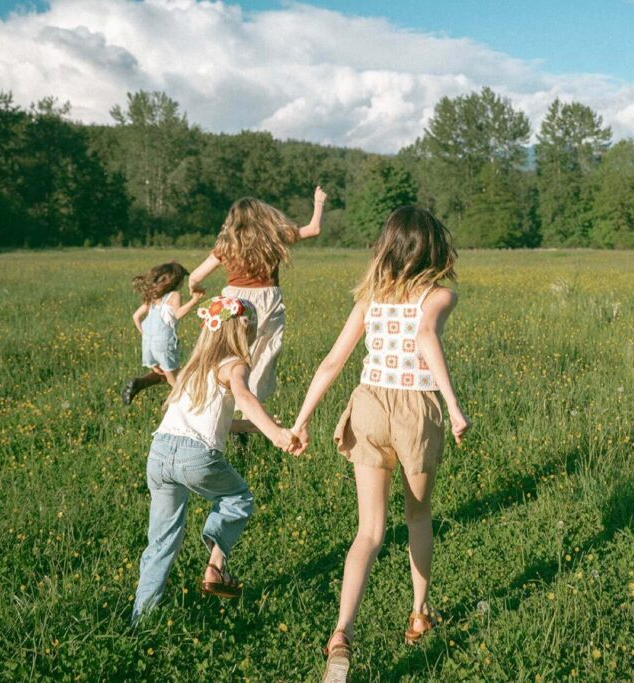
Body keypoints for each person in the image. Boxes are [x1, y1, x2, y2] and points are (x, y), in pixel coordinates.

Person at [288, 206, 471, 682]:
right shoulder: (439, 295)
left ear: (388, 246)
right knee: (418, 516)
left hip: (367, 405)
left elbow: (332, 361)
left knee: (368, 531)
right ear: (433, 247)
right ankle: (418, 613)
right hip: (416, 411)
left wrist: (301, 420)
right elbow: (427, 335)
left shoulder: (371, 297)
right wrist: (453, 406)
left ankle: (341, 633)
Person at [131, 296, 299, 623]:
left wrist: (257, 427)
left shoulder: (196, 364)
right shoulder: (235, 363)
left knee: (161, 542)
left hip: (161, 452)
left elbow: (201, 415)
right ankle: (215, 567)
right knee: (238, 498)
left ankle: (142, 619)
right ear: (243, 327)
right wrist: (277, 435)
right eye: (251, 323)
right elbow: (245, 397)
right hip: (196, 457)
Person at [187, 187, 326, 408]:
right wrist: (318, 202)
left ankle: (217, 402)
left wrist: (195, 288)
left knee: (224, 352)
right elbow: (314, 229)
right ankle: (248, 409)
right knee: (262, 357)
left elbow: (195, 276)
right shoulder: (274, 238)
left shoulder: (226, 245)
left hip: (234, 303)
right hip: (267, 301)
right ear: (263, 217)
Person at [122, 262, 203, 404]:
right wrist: (194, 300)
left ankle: (167, 398)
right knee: (175, 379)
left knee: (162, 372)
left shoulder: (154, 297)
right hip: (163, 343)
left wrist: (145, 335)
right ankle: (183, 402)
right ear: (176, 281)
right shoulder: (174, 295)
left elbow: (136, 316)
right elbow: (177, 314)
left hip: (148, 344)